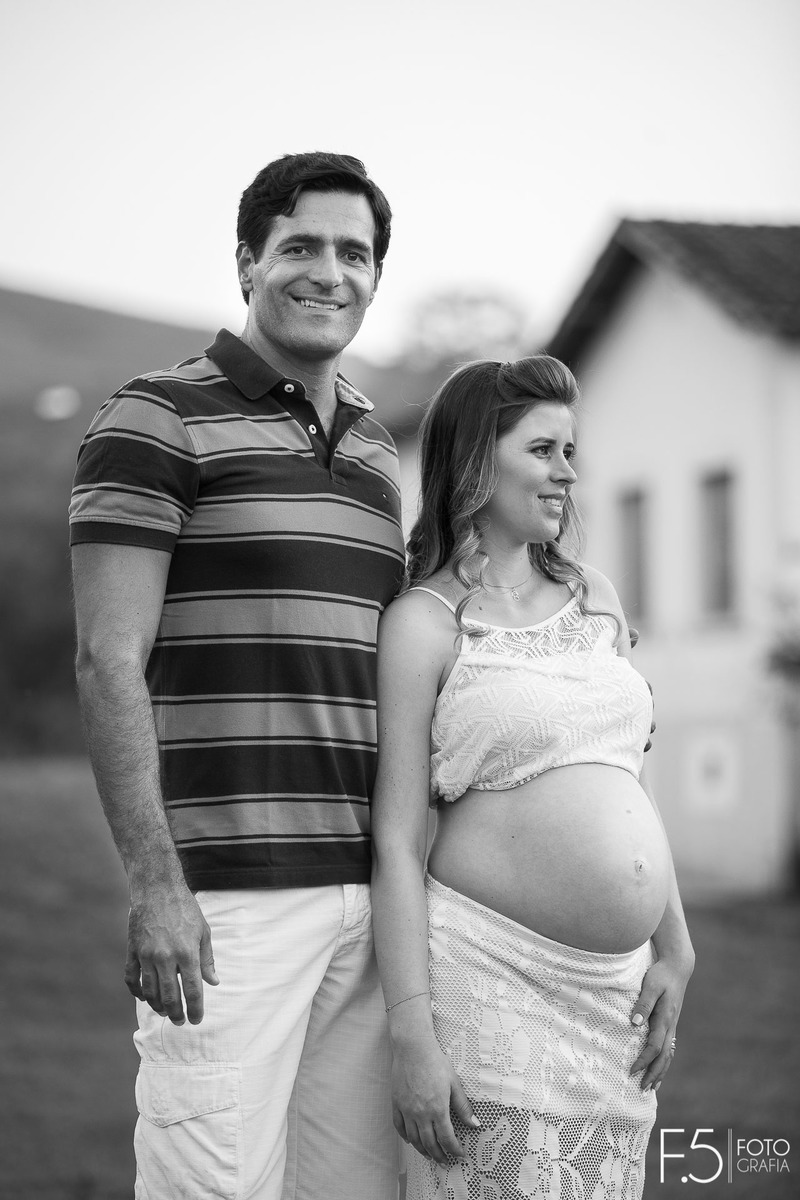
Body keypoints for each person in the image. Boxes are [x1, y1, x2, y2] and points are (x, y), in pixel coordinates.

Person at [70, 152, 404, 1200]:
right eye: (301, 246)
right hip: (231, 913)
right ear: (248, 261)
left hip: (369, 901)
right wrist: (157, 888)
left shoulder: (378, 453)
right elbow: (105, 659)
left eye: (354, 253)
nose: (329, 272)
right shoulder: (156, 417)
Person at [371, 356, 695, 1199]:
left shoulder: (597, 598)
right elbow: (399, 842)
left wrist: (675, 943)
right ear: (480, 460)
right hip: (491, 980)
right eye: (545, 450)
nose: (569, 473)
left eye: (571, 450)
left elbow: (630, 778)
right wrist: (410, 1028)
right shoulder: (423, 624)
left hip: (612, 1001)